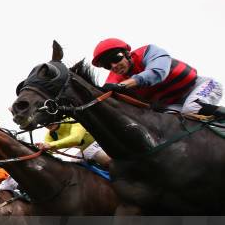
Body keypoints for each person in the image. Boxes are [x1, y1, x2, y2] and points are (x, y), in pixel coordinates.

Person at [92, 38, 223, 115]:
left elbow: (157, 72)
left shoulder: (148, 51)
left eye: (116, 58)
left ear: (127, 54)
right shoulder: (113, 80)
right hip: (173, 105)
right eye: (107, 65)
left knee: (192, 108)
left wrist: (122, 85)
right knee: (168, 125)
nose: (114, 65)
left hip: (199, 87)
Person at [35, 119, 111, 168]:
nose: (47, 125)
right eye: (44, 124)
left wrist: (50, 145)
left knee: (102, 157)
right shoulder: (50, 135)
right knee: (72, 165)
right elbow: (48, 150)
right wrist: (42, 149)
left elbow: (76, 139)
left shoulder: (71, 120)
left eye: (48, 121)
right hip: (83, 152)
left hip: (98, 143)